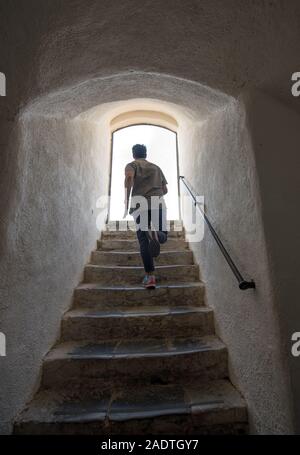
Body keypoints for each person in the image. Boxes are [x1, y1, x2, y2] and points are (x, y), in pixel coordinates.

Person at [124, 144, 168, 289]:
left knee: (144, 241)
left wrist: (127, 199)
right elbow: (165, 189)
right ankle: (156, 233)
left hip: (140, 204)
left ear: (133, 154)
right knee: (164, 236)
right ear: (146, 153)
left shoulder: (132, 165)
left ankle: (150, 278)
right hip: (158, 203)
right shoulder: (156, 167)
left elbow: (129, 179)